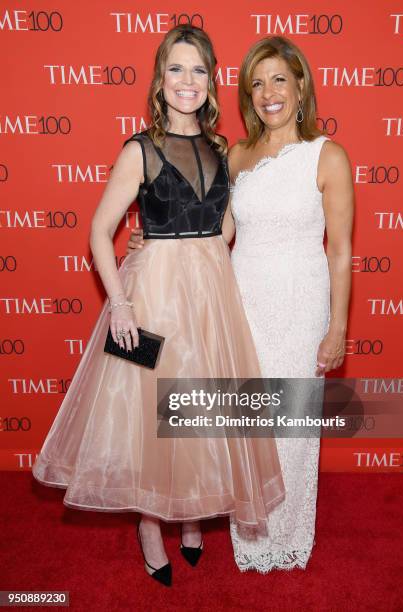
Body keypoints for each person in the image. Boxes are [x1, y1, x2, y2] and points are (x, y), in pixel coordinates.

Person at [32, 25, 285, 587]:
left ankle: (191, 516)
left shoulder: (222, 148)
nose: (187, 81)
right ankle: (150, 524)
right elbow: (100, 232)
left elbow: (225, 224)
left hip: (210, 296)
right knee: (151, 414)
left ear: (211, 80)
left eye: (198, 70)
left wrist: (203, 254)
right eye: (176, 68)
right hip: (151, 297)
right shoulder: (139, 149)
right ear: (160, 78)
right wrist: (120, 306)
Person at [128, 35, 354, 572]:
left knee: (292, 425)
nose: (268, 92)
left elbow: (342, 251)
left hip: (300, 301)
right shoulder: (237, 153)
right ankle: (248, 534)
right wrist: (154, 240)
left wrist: (338, 325)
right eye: (256, 82)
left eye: (279, 79)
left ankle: (287, 534)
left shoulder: (329, 155)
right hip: (241, 299)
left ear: (301, 86)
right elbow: (218, 229)